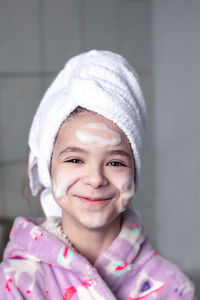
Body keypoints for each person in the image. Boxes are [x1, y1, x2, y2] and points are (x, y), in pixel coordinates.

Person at [0, 50, 196, 299]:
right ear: (48, 168)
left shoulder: (171, 287)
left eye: (115, 162)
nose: (95, 179)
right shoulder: (14, 283)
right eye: (75, 159)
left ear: (135, 173)